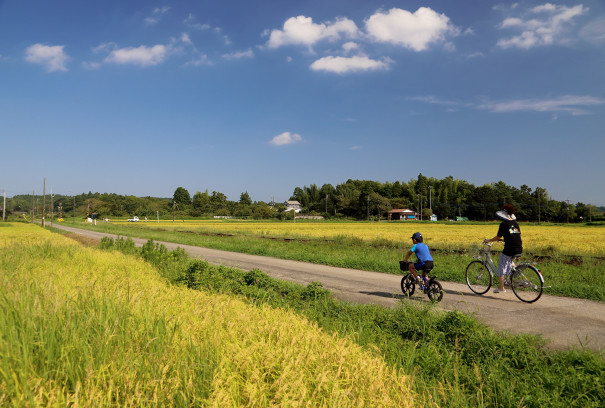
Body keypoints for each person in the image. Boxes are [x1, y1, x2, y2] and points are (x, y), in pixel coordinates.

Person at [484, 204, 522, 293]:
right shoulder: (514, 223)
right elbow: (513, 235)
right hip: (518, 247)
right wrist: (503, 240)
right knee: (509, 261)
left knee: (501, 263)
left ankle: (501, 288)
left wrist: (488, 240)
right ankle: (514, 273)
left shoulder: (504, 224)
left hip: (510, 248)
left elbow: (497, 236)